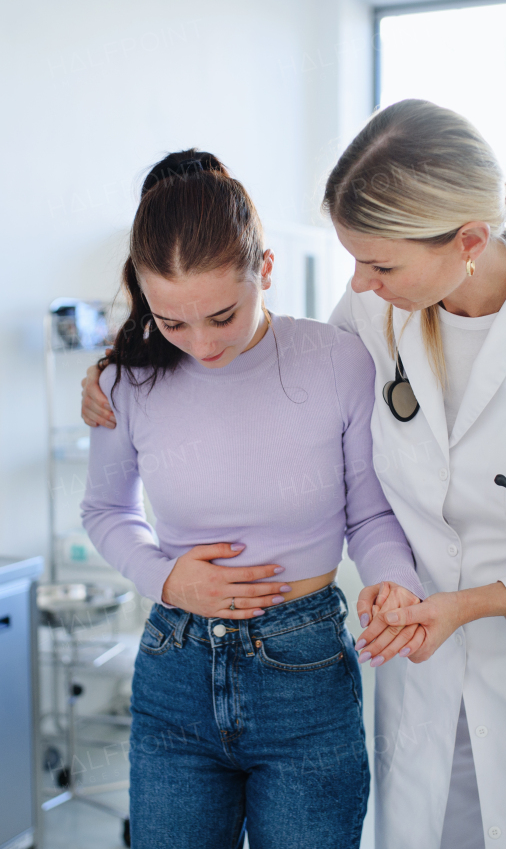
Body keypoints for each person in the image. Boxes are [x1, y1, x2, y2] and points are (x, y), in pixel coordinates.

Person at [84, 103, 506, 848]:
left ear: (469, 241)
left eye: (379, 264)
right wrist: (127, 366)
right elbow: (264, 370)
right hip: (421, 668)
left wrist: (471, 604)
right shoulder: (378, 311)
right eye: (354, 261)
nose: (359, 284)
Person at [79, 149, 427, 849]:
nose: (201, 345)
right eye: (171, 322)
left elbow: (370, 514)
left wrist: (395, 581)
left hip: (304, 678)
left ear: (264, 271)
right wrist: (166, 576)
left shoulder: (336, 361)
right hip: (175, 672)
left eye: (221, 315)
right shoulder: (125, 382)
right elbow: (106, 511)